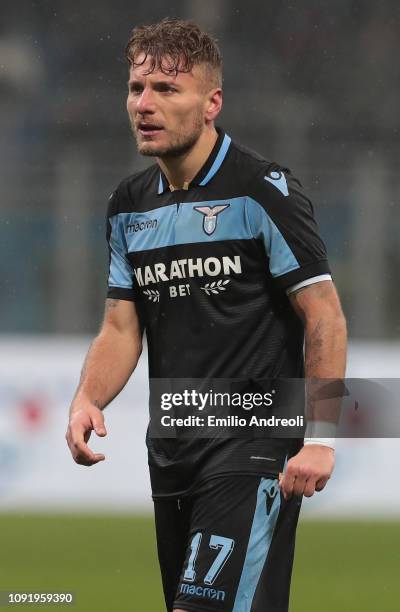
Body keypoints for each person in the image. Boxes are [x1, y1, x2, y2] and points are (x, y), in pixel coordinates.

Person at [66, 18, 347, 612]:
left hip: (254, 446)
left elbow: (325, 315)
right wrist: (87, 397)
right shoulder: (128, 204)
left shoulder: (262, 189)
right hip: (171, 448)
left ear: (212, 102)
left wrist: (321, 438)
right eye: (136, 88)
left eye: (166, 90)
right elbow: (121, 326)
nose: (144, 104)